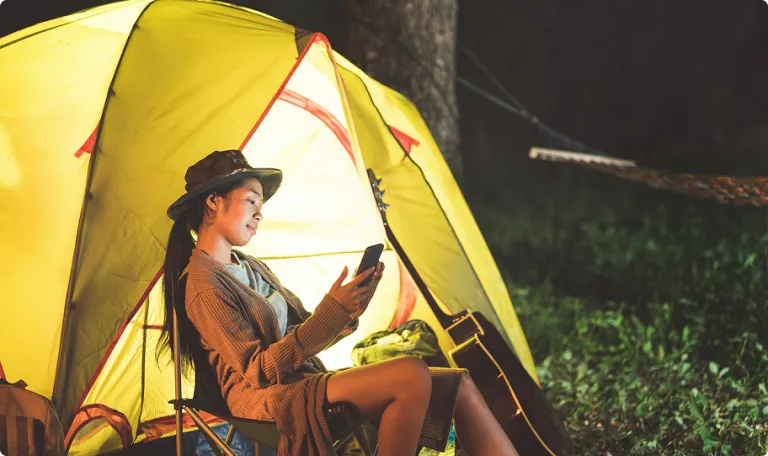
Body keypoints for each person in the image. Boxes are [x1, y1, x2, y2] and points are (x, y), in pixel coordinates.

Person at [159, 149, 519, 456]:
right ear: (213, 202)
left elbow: (301, 334)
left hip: (304, 379)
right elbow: (256, 371)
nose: (259, 214)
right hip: (265, 401)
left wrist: (348, 307)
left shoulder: (252, 267)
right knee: (411, 374)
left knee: (460, 384)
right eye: (251, 201)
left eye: (261, 206)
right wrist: (332, 313)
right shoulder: (204, 284)